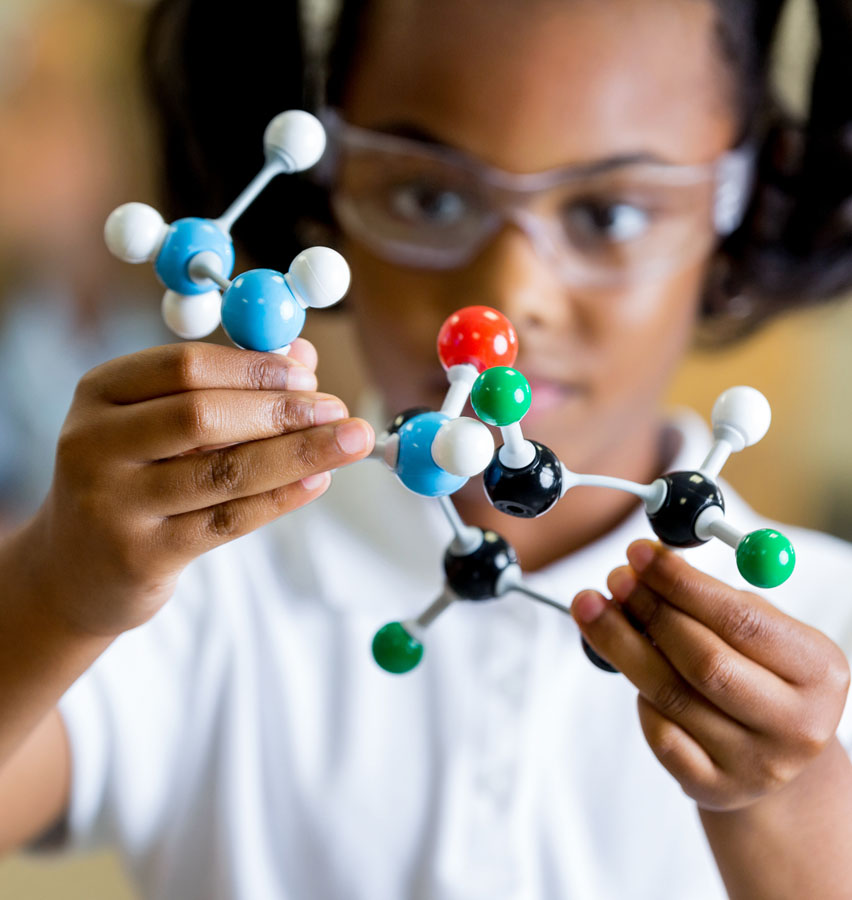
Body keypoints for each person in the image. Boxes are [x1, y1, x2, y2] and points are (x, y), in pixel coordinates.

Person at [1, 0, 852, 897]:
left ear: (745, 200)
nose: (507, 297)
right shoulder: (186, 592)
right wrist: (53, 592)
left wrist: (793, 807)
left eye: (609, 213)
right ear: (325, 190)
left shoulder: (827, 636)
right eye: (431, 196)